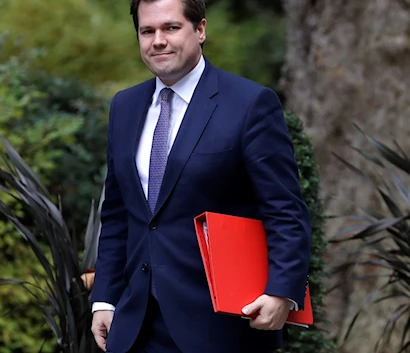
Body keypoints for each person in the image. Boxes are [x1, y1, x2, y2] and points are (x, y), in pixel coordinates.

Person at [90, 0, 312, 351]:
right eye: (147, 31)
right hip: (136, 326)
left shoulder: (250, 104)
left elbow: (285, 209)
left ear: (201, 30)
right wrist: (105, 299)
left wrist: (282, 291)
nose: (158, 40)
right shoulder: (125, 106)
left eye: (171, 28)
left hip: (221, 325)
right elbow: (119, 214)